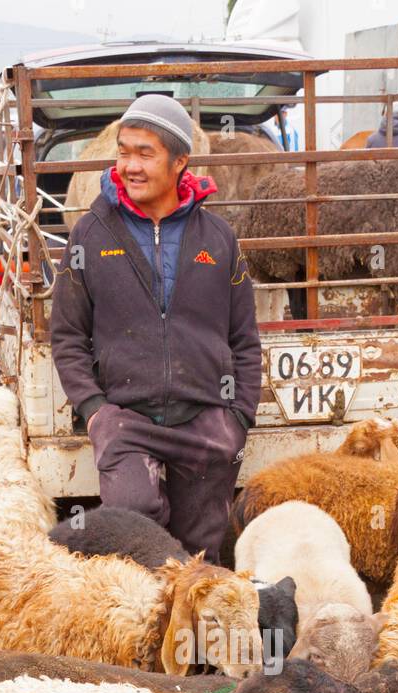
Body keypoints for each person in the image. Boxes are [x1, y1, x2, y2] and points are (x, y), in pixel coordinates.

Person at [51, 93, 260, 565]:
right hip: (127, 420)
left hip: (205, 419)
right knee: (132, 540)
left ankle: (199, 639)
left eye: (145, 153)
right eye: (124, 152)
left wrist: (237, 417)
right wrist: (97, 411)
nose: (130, 166)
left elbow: (244, 336)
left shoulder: (218, 239)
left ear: (179, 161)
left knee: (201, 557)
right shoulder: (90, 234)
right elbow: (66, 335)